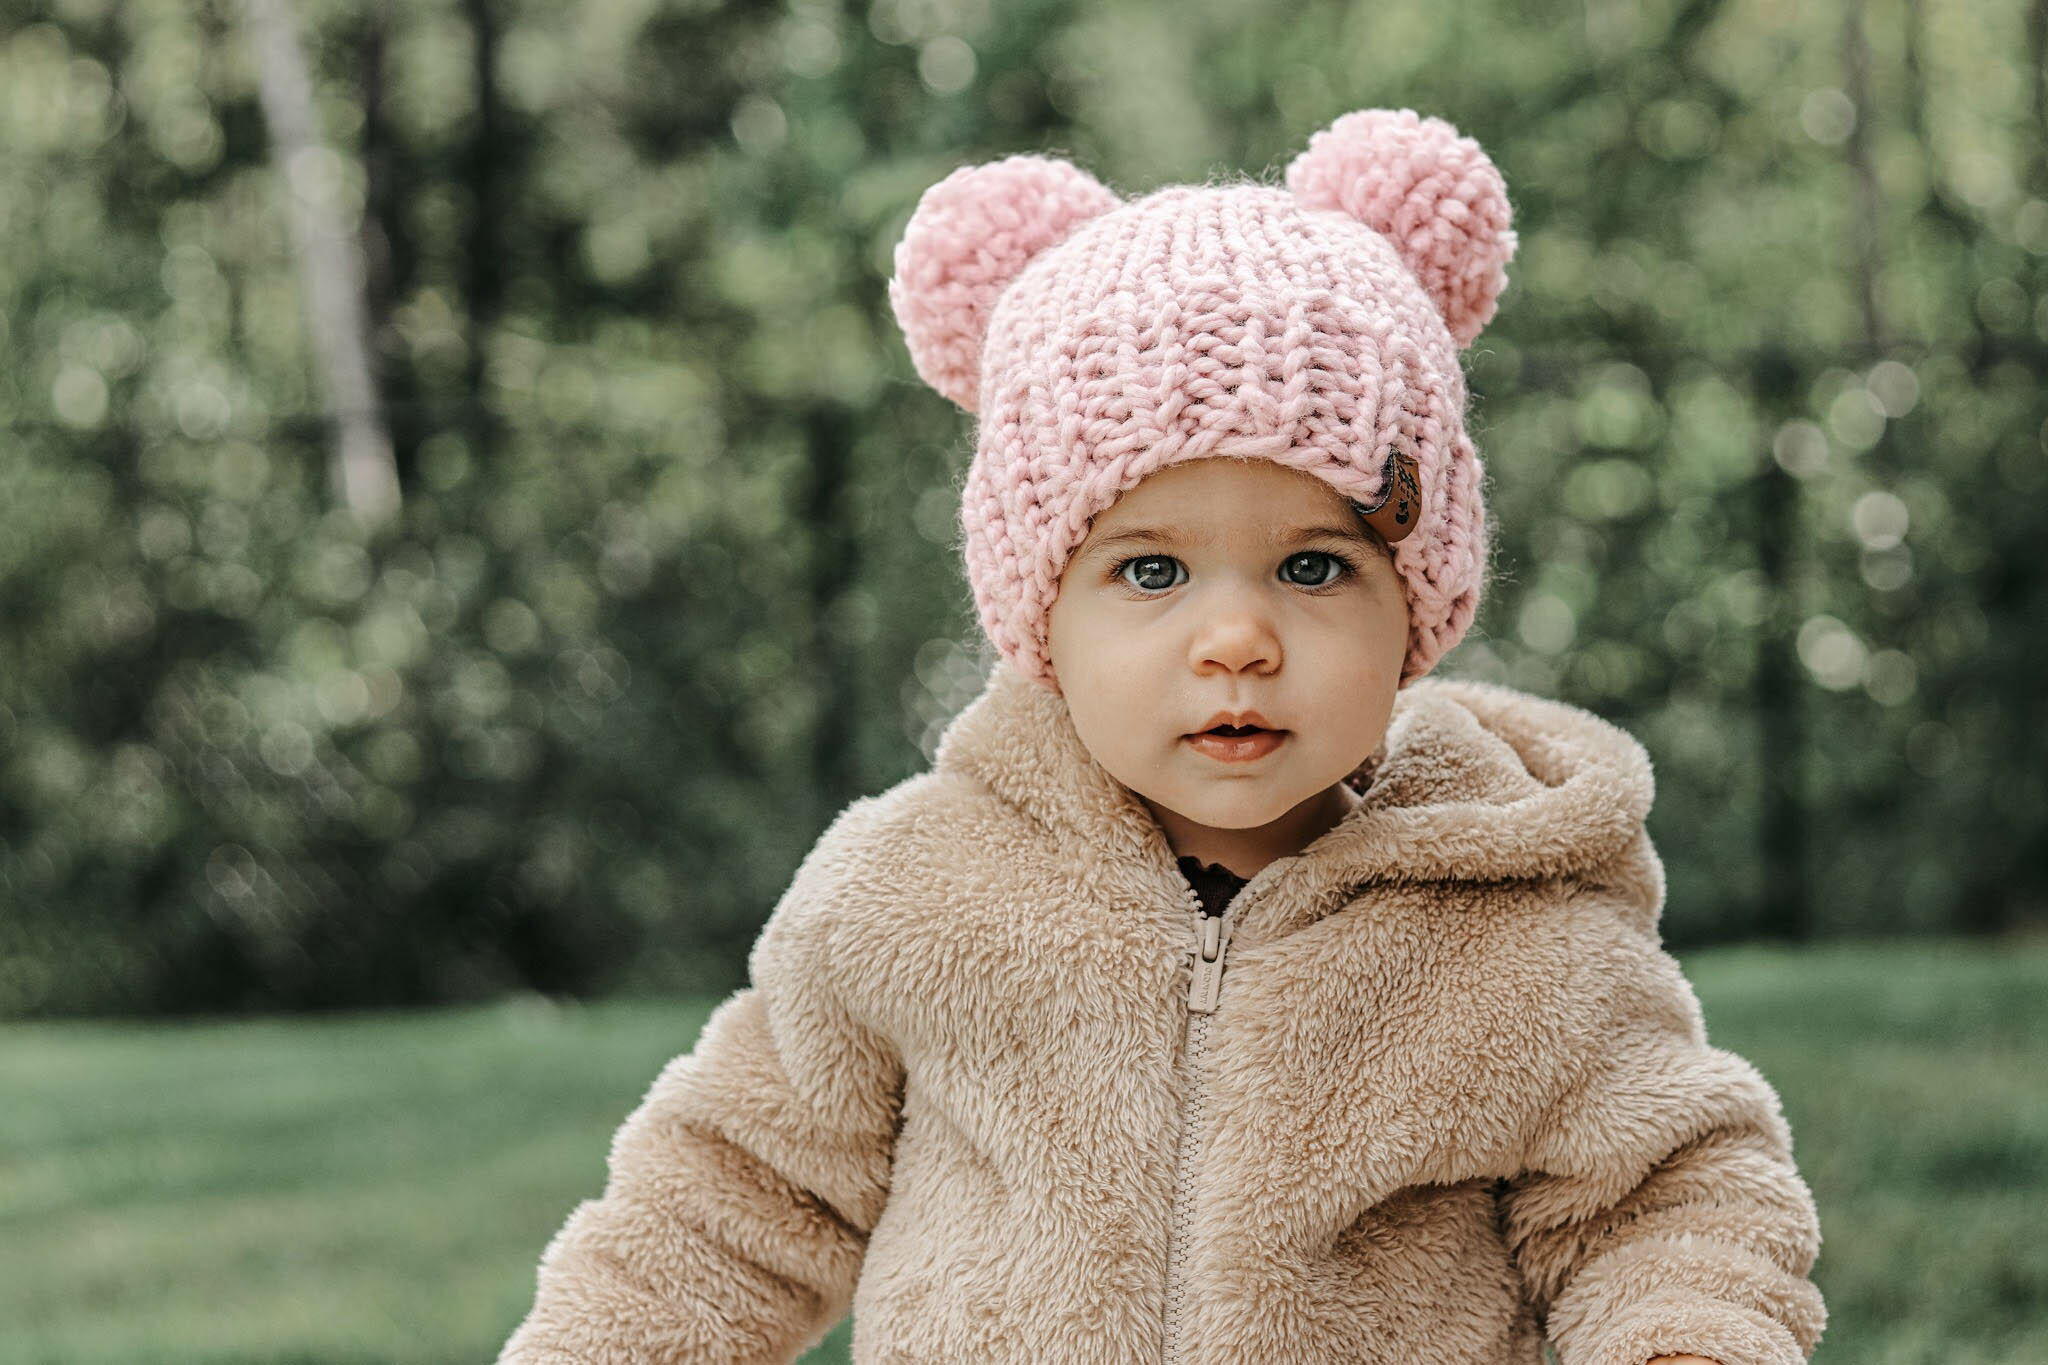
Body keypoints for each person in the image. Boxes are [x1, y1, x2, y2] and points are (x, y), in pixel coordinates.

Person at [495, 107, 1825, 1364]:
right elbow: (723, 1200)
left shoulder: (1517, 930)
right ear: (1041, 615)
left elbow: (1672, 1189)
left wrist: (1685, 1331)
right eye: (1150, 571)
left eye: (1313, 567)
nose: (1235, 637)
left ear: (1418, 608)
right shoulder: (905, 895)